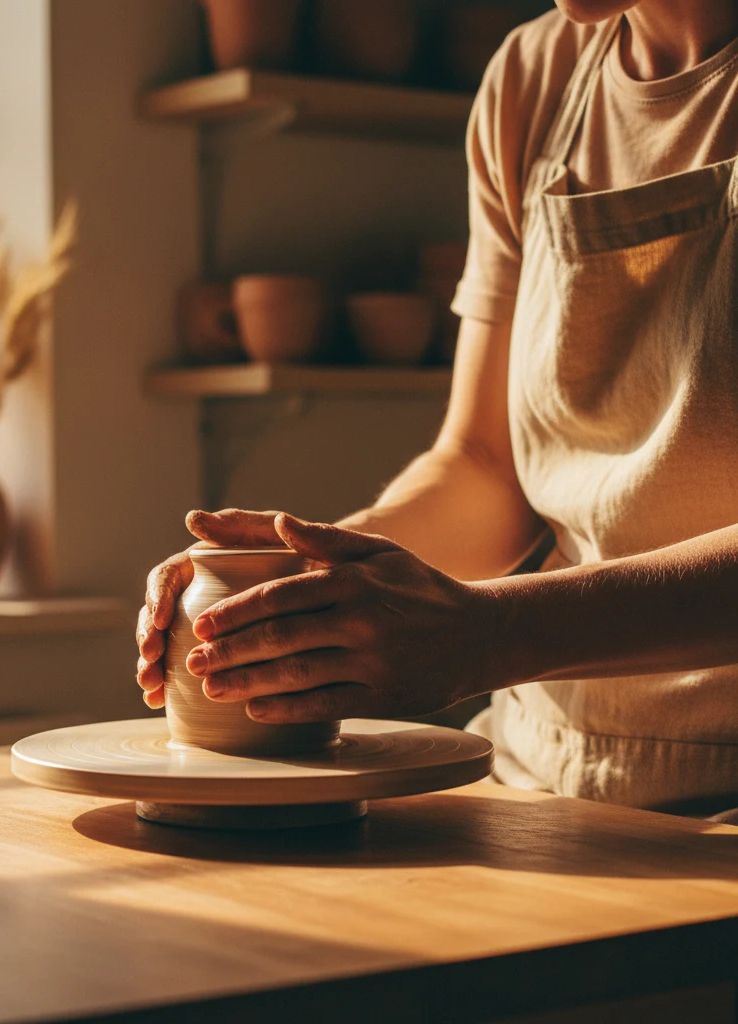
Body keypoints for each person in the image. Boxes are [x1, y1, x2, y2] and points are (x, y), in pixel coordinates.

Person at [137, 0, 738, 818]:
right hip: (547, 773)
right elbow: (483, 466)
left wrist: (493, 634)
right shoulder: (536, 75)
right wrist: (303, 581)